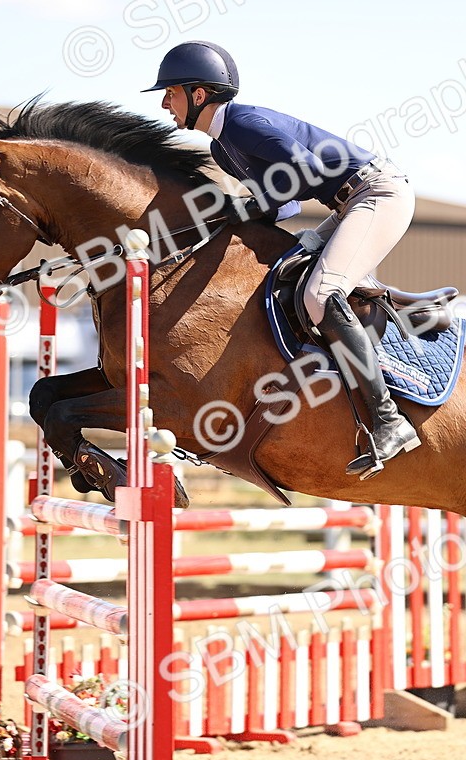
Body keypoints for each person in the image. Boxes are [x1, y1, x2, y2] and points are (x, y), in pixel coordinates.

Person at [144, 40, 420, 479]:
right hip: (349, 203)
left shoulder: (243, 124)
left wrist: (250, 205)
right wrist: (238, 210)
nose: (164, 103)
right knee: (292, 271)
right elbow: (286, 207)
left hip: (377, 194)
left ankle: (389, 421)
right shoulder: (222, 148)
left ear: (199, 94)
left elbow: (306, 172)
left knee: (320, 295)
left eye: (170, 92)